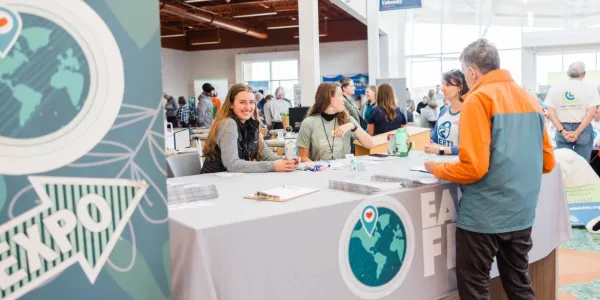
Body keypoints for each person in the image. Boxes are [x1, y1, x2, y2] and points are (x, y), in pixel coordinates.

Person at [424, 39, 555, 300]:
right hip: (522, 213)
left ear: (472, 72)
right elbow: (548, 162)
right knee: (519, 283)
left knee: (475, 287)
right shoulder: (530, 99)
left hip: (484, 216)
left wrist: (437, 169)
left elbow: (474, 168)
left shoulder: (478, 99)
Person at [201, 83, 298, 174]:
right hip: (214, 183)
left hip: (232, 182)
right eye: (242, 102)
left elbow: (266, 156)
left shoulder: (251, 125)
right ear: (231, 104)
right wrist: (273, 166)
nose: (248, 107)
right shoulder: (228, 123)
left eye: (251, 102)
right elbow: (233, 165)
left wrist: (288, 160)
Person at [297, 82, 374, 162]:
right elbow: (303, 158)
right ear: (329, 98)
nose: (343, 99)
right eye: (340, 95)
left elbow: (370, 144)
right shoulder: (309, 123)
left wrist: (352, 126)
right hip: (319, 172)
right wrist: (319, 170)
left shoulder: (348, 120)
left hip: (344, 172)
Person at [546, 61, 600, 162]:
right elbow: (591, 114)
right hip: (583, 130)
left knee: (564, 165)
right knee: (583, 165)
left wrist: (563, 131)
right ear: (584, 74)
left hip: (562, 129)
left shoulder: (555, 88)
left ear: (568, 73)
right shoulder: (591, 88)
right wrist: (577, 132)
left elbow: (550, 114)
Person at [424, 69, 470, 156]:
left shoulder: (468, 112)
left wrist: (441, 149)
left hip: (458, 165)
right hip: (441, 164)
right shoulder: (443, 111)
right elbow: (435, 139)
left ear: (460, 87)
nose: (442, 89)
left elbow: (469, 147)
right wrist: (431, 145)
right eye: (443, 84)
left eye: (448, 85)